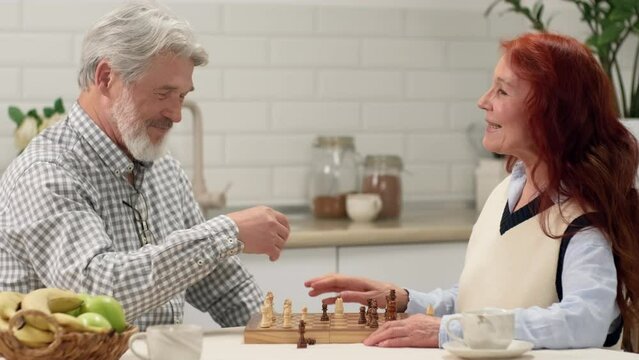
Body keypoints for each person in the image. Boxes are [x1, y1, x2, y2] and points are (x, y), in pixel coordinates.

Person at [305, 32, 639, 351]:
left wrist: (449, 331)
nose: (483, 102)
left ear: (552, 113)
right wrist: (404, 298)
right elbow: (482, 299)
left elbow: (585, 321)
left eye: (502, 91)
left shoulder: (583, 221)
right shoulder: (506, 192)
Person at [0, 1, 290, 330]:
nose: (176, 113)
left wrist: (278, 336)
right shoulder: (45, 171)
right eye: (164, 93)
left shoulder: (164, 169)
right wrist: (227, 232)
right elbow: (93, 294)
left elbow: (223, 286)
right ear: (107, 77)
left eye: (182, 96)